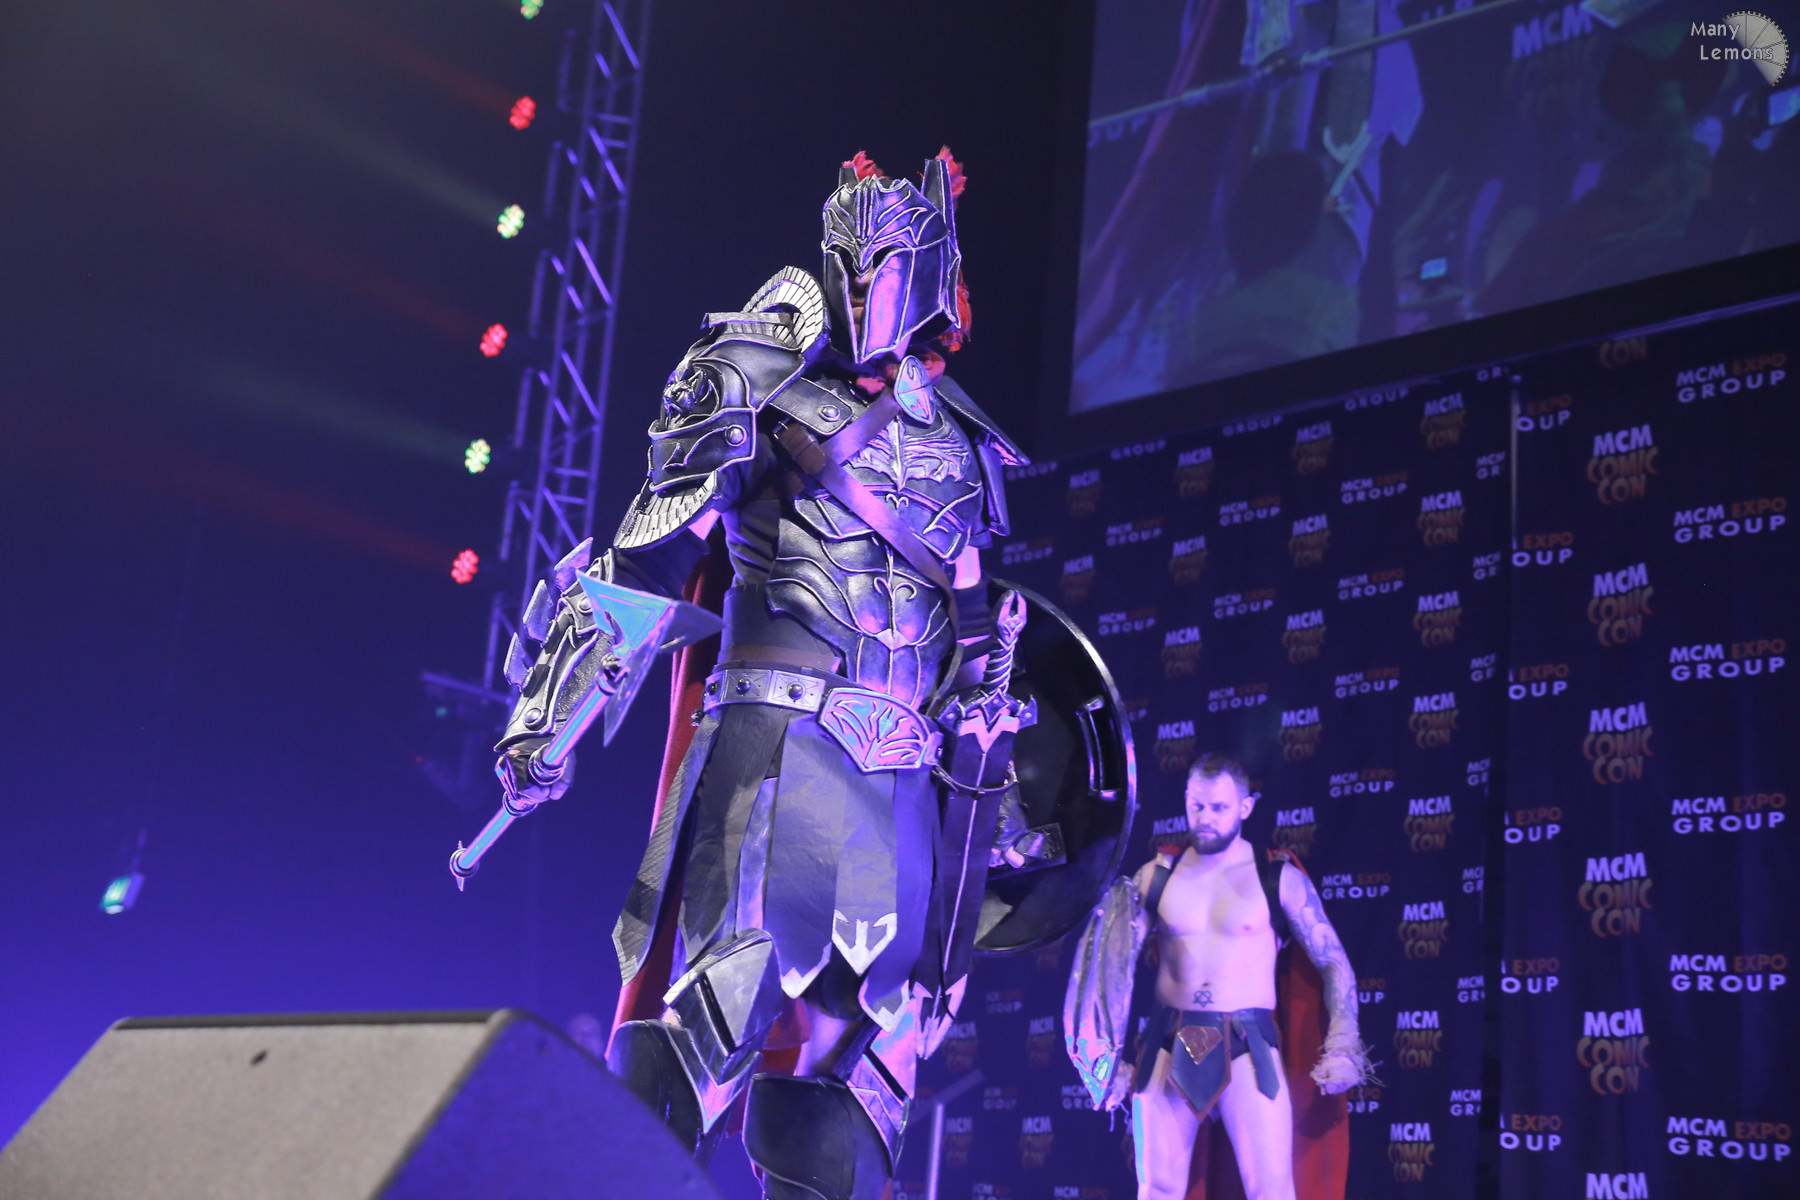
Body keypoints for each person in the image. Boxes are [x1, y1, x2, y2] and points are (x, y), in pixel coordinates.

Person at [488, 148, 1041, 1200]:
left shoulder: (967, 443)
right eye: (852, 260)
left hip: (903, 784)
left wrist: (993, 787)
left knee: (847, 1080)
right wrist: (546, 716)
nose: (865, 284)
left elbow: (973, 624)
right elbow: (644, 560)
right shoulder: (754, 378)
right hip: (776, 750)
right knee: (709, 1022)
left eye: (886, 262)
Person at [1066, 754, 1373, 1200]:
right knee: (1157, 1190)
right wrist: (1100, 1056)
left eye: (1219, 807)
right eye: (1197, 805)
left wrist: (1343, 1040)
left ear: (1245, 807)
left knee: (1272, 1191)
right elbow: (1109, 966)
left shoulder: (1276, 878)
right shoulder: (1156, 877)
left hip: (1249, 1044)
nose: (1205, 818)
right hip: (1168, 1041)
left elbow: (1332, 961)